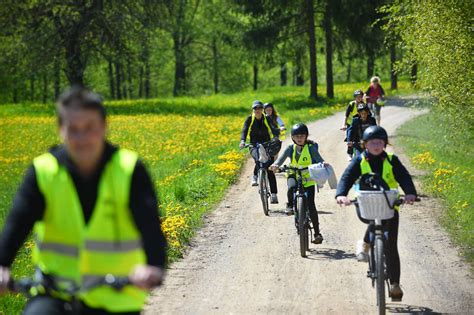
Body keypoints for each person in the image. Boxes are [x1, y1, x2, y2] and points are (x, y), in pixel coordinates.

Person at [0, 87, 167, 314]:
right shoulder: (43, 171)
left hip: (115, 296)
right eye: (73, 129)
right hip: (55, 293)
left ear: (104, 126)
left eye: (90, 128)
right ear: (61, 130)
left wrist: (154, 265)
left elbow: (150, 228)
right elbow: (17, 225)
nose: (82, 138)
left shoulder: (129, 169)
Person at [335, 126, 417, 301]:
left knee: (391, 246)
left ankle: (394, 284)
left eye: (380, 142)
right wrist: (341, 194)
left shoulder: (392, 160)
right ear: (365, 144)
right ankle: (366, 243)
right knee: (373, 220)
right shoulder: (359, 161)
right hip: (367, 203)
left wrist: (410, 193)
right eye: (372, 142)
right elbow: (347, 177)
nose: (376, 145)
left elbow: (404, 177)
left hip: (390, 205)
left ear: (385, 144)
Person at [271, 123, 325, 244]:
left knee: (311, 205)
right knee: (291, 187)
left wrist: (323, 164)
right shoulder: (290, 148)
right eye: (296, 136)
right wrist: (276, 165)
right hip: (293, 174)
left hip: (308, 178)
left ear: (306, 136)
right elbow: (281, 159)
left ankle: (317, 233)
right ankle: (290, 205)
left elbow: (319, 159)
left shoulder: (311, 148)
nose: (299, 138)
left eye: (302, 136)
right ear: (292, 137)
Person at [240, 100, 280, 204]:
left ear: (262, 109)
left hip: (267, 144)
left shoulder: (267, 118)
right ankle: (255, 176)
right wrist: (243, 141)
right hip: (254, 144)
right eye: (255, 108)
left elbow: (274, 128)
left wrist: (276, 137)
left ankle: (274, 195)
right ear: (253, 110)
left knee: (270, 168)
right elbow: (244, 130)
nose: (257, 110)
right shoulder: (250, 119)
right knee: (258, 160)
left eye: (259, 108)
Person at [341, 89, 365, 160]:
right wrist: (344, 125)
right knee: (349, 138)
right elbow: (346, 116)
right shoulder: (352, 104)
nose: (359, 98)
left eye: (360, 96)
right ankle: (350, 154)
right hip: (350, 124)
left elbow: (368, 114)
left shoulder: (363, 104)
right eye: (357, 97)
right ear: (355, 97)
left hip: (360, 124)